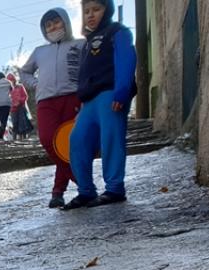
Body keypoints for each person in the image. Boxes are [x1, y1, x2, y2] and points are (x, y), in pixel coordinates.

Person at [63, 0, 137, 209]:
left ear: (108, 10)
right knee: (77, 140)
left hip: (110, 95)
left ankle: (114, 188)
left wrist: (121, 93)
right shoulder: (87, 42)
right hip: (89, 102)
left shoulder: (118, 32)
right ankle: (85, 191)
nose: (91, 15)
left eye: (96, 9)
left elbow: (126, 60)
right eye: (86, 11)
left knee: (111, 139)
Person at [20, 7, 85, 208]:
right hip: (46, 101)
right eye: (48, 25)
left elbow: (91, 70)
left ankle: (58, 191)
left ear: (66, 22)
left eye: (56, 22)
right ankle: (83, 183)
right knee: (48, 139)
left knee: (67, 145)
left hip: (73, 98)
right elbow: (24, 72)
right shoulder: (40, 52)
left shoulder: (81, 44)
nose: (53, 27)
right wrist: (36, 84)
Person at [9, 75, 34, 141]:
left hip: (21, 107)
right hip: (13, 109)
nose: (11, 81)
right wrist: (12, 104)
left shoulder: (20, 86)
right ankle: (14, 140)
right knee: (15, 124)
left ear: (14, 80)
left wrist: (19, 101)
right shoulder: (8, 90)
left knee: (23, 122)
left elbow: (25, 96)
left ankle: (24, 138)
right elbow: (7, 100)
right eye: (10, 80)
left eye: (12, 80)